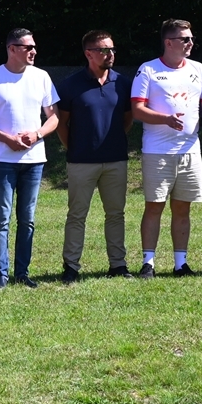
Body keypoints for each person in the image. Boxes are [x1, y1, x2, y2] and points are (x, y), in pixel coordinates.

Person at [0, 28, 59, 288]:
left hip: (34, 160)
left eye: (34, 47)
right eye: (28, 47)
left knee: (27, 219)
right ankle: (1, 275)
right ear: (12, 49)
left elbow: (54, 117)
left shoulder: (41, 77)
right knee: (2, 218)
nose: (34, 51)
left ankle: (22, 273)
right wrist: (7, 139)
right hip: (3, 160)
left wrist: (37, 134)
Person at [131, 20, 202, 277]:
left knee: (182, 208)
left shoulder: (199, 69)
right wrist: (165, 119)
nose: (190, 43)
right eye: (185, 39)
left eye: (191, 38)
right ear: (169, 43)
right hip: (157, 152)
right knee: (154, 206)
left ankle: (181, 264)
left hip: (190, 151)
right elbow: (137, 109)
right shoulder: (148, 70)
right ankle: (148, 263)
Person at [57, 29, 132, 280]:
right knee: (77, 215)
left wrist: (112, 140)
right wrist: (74, 147)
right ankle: (71, 267)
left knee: (116, 214)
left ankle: (118, 265)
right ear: (89, 53)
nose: (110, 54)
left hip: (116, 160)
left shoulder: (123, 83)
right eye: (103, 50)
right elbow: (61, 124)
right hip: (81, 161)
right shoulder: (70, 85)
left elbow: (127, 119)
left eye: (112, 49)